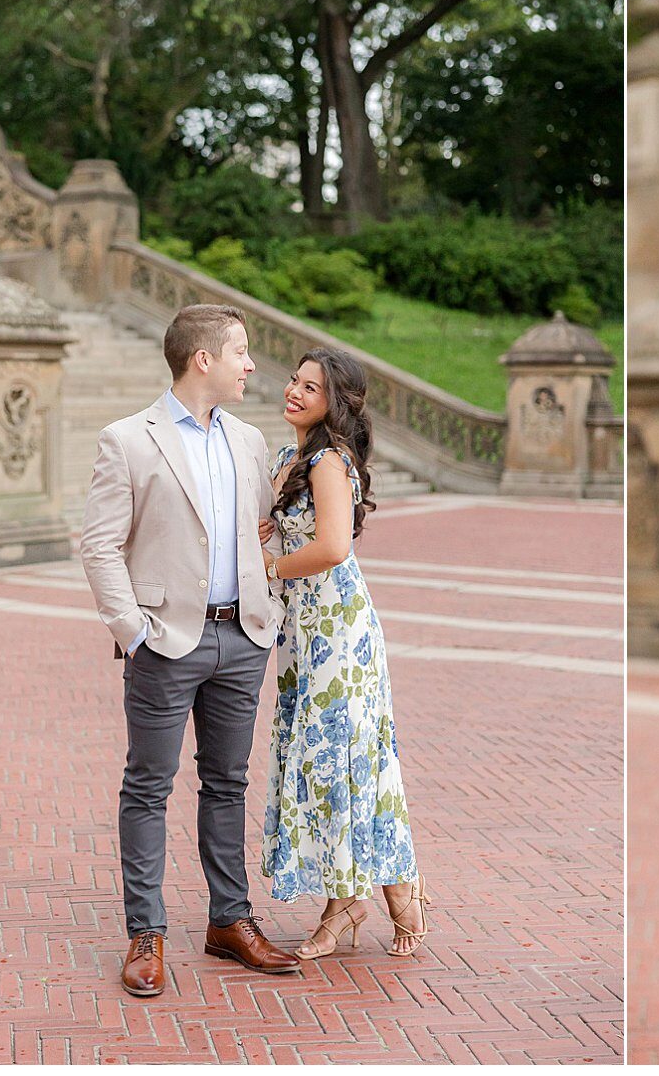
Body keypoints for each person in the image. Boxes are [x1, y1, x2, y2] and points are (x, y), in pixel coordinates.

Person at [81, 303, 301, 998]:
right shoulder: (128, 440)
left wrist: (265, 613)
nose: (251, 363)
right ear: (201, 358)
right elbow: (99, 544)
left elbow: (261, 531)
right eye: (240, 350)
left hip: (242, 639)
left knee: (227, 783)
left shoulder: (250, 440)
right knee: (148, 785)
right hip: (164, 643)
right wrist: (133, 630)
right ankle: (146, 933)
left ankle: (229, 920)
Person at [258, 347, 428, 959]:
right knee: (336, 762)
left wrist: (270, 564)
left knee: (344, 763)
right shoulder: (290, 459)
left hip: (338, 630)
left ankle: (346, 903)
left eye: (313, 387)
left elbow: (331, 547)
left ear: (337, 403)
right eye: (295, 381)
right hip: (304, 632)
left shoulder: (328, 461)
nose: (296, 392)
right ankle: (398, 892)